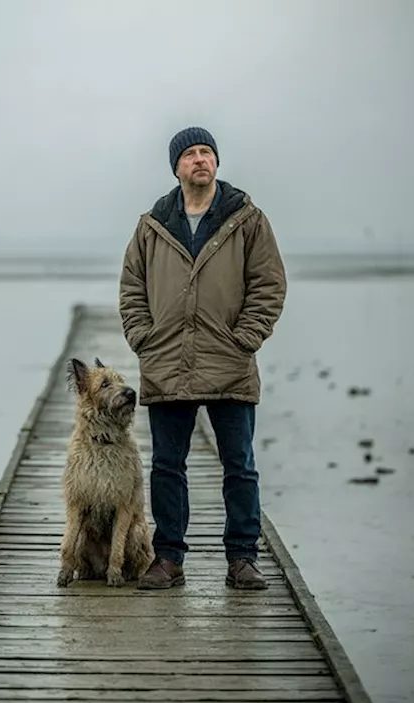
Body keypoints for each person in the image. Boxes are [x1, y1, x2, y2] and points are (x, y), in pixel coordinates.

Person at [118, 126, 288, 591]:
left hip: (228, 360)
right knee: (167, 467)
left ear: (216, 162)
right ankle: (168, 558)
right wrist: (143, 337)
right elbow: (132, 287)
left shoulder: (247, 219)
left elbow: (269, 285)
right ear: (176, 168)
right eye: (190, 154)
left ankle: (242, 559)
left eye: (206, 152)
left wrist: (246, 338)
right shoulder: (152, 224)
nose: (200, 159)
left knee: (240, 466)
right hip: (167, 361)